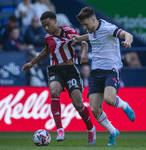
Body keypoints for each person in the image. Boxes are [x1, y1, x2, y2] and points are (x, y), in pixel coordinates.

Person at [21, 11, 96, 145]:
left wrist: (84, 52)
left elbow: (83, 42)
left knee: (78, 104)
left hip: (71, 70)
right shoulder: (48, 38)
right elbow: (45, 51)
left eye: (48, 25)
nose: (46, 28)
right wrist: (32, 63)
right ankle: (60, 128)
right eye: (44, 26)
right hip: (55, 70)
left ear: (56, 21)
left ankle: (90, 128)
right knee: (54, 91)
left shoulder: (69, 31)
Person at [71, 7, 135, 146]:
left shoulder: (108, 28)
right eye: (83, 25)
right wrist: (79, 38)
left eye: (86, 24)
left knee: (109, 100)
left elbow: (127, 34)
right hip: (96, 72)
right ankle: (113, 132)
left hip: (111, 70)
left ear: (94, 20)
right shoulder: (92, 30)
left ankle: (124, 105)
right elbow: (91, 36)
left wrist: (128, 41)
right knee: (94, 109)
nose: (84, 27)